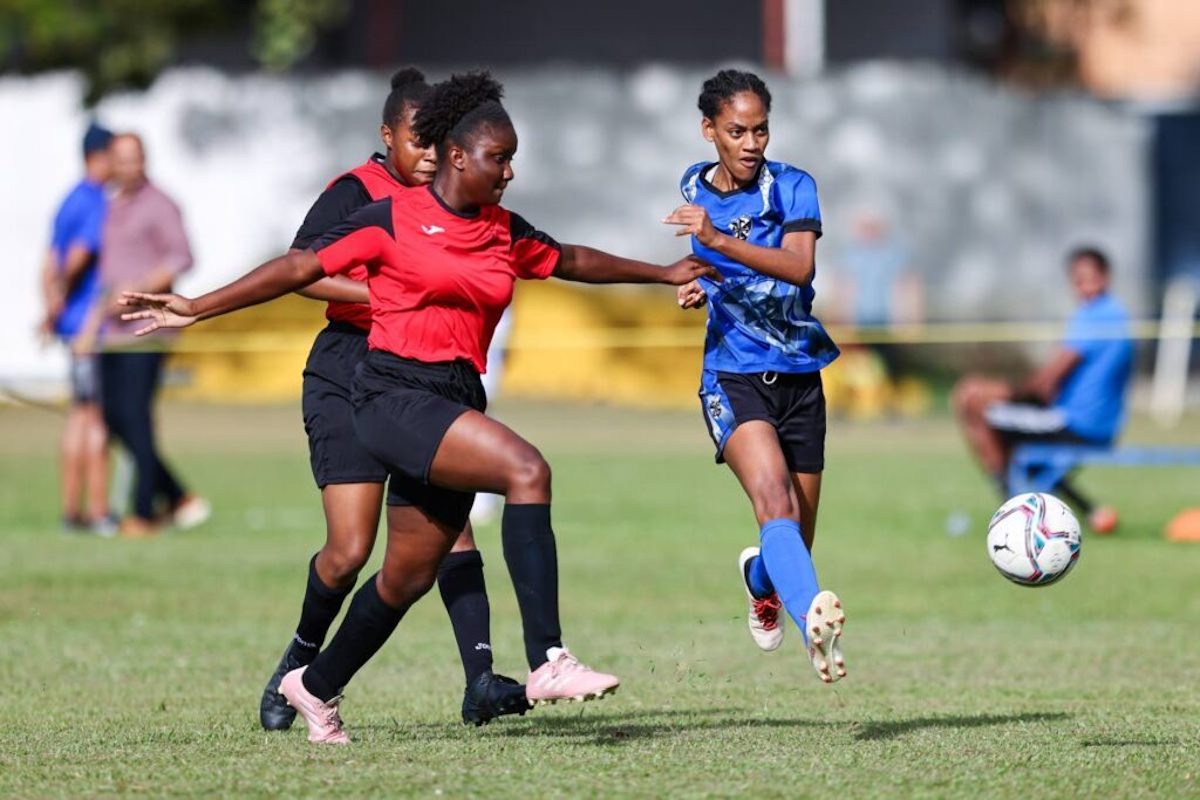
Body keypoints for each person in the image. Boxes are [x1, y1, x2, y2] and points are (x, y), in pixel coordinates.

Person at [120, 70, 712, 745]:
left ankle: (312, 687)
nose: (510, 171)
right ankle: (548, 658)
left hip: (454, 392)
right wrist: (196, 306)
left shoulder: (500, 230)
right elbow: (297, 269)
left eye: (514, 158)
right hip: (390, 394)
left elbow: (569, 257)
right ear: (458, 155)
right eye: (500, 157)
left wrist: (663, 272)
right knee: (527, 471)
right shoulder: (388, 218)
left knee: (406, 575)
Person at [257, 68, 529, 732]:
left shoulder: (458, 204)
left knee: (449, 527)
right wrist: (390, 293)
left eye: (438, 142)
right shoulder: (357, 193)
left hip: (420, 374)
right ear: (388, 138)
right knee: (350, 550)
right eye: (418, 141)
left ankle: (480, 679)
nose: (431, 155)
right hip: (352, 371)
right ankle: (300, 659)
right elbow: (302, 269)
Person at [666, 69, 847, 683]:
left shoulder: (794, 187)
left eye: (760, 129)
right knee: (773, 504)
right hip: (732, 372)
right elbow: (715, 261)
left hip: (799, 371)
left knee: (794, 534)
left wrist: (716, 245)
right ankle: (813, 621)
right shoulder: (695, 184)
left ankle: (762, 582)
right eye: (736, 131)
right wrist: (701, 280)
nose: (751, 143)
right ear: (709, 130)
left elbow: (798, 268)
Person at [952, 247, 1133, 532]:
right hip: (1094, 424)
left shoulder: (1095, 316)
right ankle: (1089, 510)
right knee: (1002, 421)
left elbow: (1049, 379)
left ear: (1105, 277)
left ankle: (1012, 512)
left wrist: (1005, 392)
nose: (1084, 286)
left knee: (973, 402)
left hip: (1074, 423)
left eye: (1090, 278)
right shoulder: (1117, 313)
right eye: (1078, 280)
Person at [92, 133, 210, 537]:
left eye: (136, 158)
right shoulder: (110, 207)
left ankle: (141, 513)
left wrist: (137, 293)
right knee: (115, 419)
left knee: (136, 419)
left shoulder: (160, 205)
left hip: (147, 329)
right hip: (111, 333)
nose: (129, 166)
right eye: (122, 159)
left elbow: (181, 256)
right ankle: (178, 497)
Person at [39, 122, 116, 535]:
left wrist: (52, 307)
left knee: (77, 416)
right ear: (99, 156)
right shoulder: (95, 202)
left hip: (71, 324)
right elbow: (79, 257)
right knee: (95, 419)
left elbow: (50, 260)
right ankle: (99, 511)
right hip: (91, 328)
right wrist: (70, 302)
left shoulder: (66, 200)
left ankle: (72, 511)